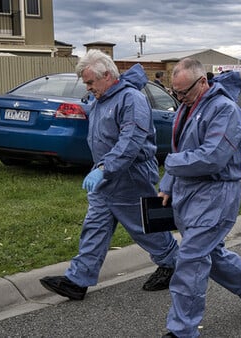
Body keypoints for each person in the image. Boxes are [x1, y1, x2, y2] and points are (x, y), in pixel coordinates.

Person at [39, 49, 179, 300]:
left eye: (91, 81)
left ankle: (173, 263)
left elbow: (131, 141)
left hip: (131, 176)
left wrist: (105, 168)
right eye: (86, 82)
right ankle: (78, 280)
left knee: (144, 227)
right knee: (95, 226)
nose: (87, 86)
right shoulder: (102, 99)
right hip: (106, 175)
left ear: (108, 76)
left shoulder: (131, 99)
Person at [158, 58, 241, 338]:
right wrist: (168, 185)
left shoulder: (225, 110)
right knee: (211, 253)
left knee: (191, 259)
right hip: (188, 192)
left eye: (183, 92)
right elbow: (183, 146)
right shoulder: (189, 106)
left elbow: (212, 158)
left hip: (217, 194)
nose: (179, 98)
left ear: (203, 82)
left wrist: (170, 164)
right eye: (175, 92)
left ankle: (182, 330)